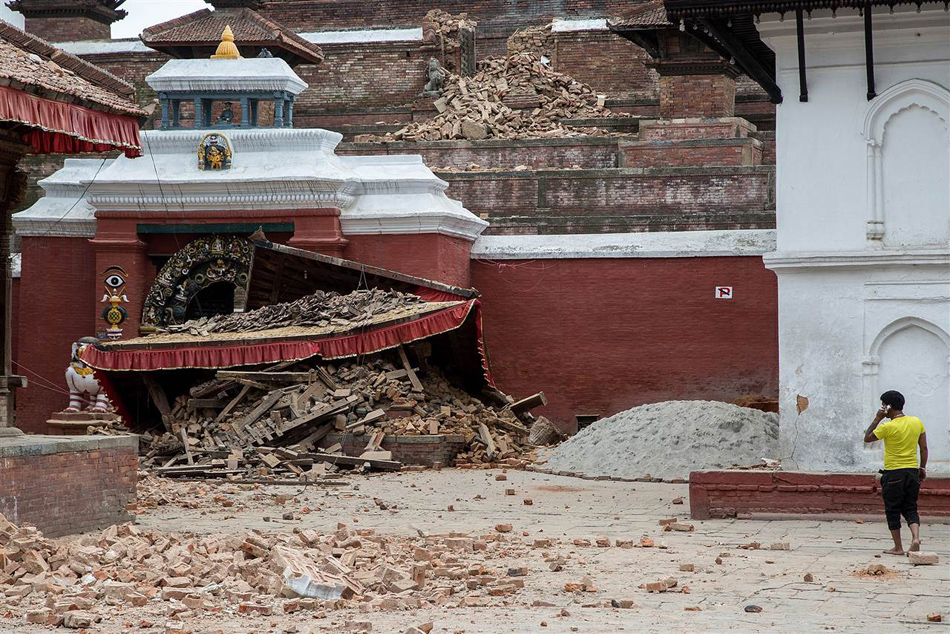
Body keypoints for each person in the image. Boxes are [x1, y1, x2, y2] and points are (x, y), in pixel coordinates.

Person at [863, 390, 928, 555]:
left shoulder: (887, 426)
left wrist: (878, 418)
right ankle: (915, 538)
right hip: (912, 471)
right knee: (910, 507)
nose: (882, 408)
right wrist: (922, 468)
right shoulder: (916, 422)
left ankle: (898, 547)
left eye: (883, 405)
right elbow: (924, 448)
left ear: (889, 407)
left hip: (893, 474)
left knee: (892, 509)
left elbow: (868, 437)